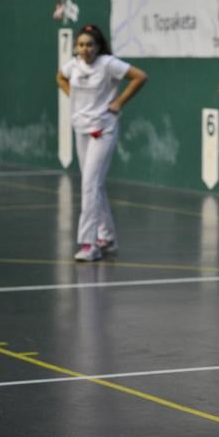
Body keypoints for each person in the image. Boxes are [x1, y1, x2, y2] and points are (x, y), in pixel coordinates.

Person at [56, 24, 147, 261]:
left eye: (90, 45)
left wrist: (118, 103)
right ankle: (107, 237)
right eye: (81, 45)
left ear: (98, 47)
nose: (85, 49)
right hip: (81, 129)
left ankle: (89, 244)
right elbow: (60, 77)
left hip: (103, 129)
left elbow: (139, 77)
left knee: (89, 184)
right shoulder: (73, 66)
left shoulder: (108, 64)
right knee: (93, 185)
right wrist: (73, 98)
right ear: (76, 47)